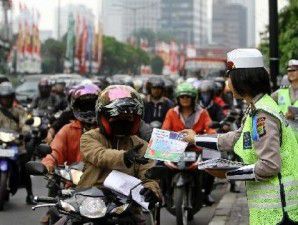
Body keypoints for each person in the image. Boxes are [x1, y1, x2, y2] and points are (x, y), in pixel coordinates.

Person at [182, 48, 298, 225]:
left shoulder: (262, 115)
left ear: (242, 79)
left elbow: (269, 166)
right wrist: (195, 139)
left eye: (230, 76)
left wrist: (228, 173)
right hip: (273, 212)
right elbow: (236, 138)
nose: (227, 82)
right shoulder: (257, 107)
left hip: (280, 213)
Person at [77, 85, 160, 222]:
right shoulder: (89, 137)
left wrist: (151, 189)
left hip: (125, 207)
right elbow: (100, 155)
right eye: (116, 117)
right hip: (89, 201)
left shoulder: (141, 145)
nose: (122, 121)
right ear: (103, 117)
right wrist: (125, 157)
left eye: (128, 118)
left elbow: (148, 175)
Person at [162, 82, 216, 205]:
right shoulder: (171, 113)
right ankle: (164, 194)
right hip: (176, 149)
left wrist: (211, 135)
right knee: (158, 165)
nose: (185, 99)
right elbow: (165, 129)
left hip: (197, 149)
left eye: (188, 96)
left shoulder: (202, 113)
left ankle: (206, 193)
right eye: (182, 97)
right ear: (178, 98)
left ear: (193, 98)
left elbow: (210, 128)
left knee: (213, 163)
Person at [42, 83, 100, 173]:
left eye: (91, 104)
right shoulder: (67, 129)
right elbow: (55, 150)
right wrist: (48, 163)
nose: (88, 109)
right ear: (75, 106)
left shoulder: (106, 129)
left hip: (103, 180)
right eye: (84, 105)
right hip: (74, 180)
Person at [0, 82, 35, 205]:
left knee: (25, 166)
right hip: (1, 144)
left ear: (12, 97)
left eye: (8, 97)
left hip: (16, 143)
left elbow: (25, 124)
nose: (6, 100)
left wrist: (25, 133)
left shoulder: (19, 111)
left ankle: (30, 194)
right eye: (3, 97)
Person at [272, 59, 298, 140]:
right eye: (289, 71)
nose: (291, 73)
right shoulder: (280, 92)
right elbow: (268, 105)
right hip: (285, 137)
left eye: (294, 70)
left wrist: (295, 116)